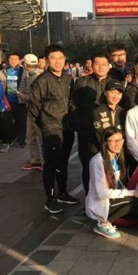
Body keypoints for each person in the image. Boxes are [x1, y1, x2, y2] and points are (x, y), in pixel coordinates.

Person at [29, 44, 79, 214]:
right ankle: (50, 198)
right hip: (51, 129)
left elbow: (72, 102)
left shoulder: (68, 79)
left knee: (63, 162)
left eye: (60, 58)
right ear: (46, 60)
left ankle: (62, 192)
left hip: (67, 127)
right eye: (53, 58)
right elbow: (34, 109)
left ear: (65, 59)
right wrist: (45, 126)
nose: (57, 61)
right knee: (51, 163)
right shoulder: (41, 81)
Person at [86, 127, 138, 239]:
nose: (118, 144)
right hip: (102, 203)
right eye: (114, 141)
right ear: (105, 142)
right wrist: (130, 193)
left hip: (113, 200)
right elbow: (102, 193)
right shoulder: (97, 161)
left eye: (120, 140)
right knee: (133, 201)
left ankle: (114, 218)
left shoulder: (117, 157)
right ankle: (103, 224)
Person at [71, 53, 112, 195]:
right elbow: (73, 104)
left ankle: (109, 197)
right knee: (88, 165)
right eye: (97, 64)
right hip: (87, 130)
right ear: (91, 65)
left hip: (108, 132)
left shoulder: (114, 82)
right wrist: (79, 125)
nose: (101, 67)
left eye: (104, 64)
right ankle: (89, 197)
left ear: (109, 66)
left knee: (109, 166)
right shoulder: (81, 82)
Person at [17, 54, 44, 170]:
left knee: (41, 138)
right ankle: (35, 160)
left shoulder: (37, 77)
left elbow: (35, 98)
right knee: (31, 136)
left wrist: (22, 96)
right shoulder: (32, 75)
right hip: (31, 111)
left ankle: (44, 162)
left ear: (25, 64)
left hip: (38, 112)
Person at [0, 52, 25, 149]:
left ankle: (21, 140)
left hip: (20, 101)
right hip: (7, 101)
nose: (12, 61)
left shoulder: (24, 71)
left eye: (15, 59)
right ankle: (8, 140)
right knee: (7, 122)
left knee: (21, 122)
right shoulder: (3, 72)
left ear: (19, 60)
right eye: (10, 59)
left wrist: (24, 95)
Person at [93, 79, 126, 155]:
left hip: (120, 152)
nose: (115, 96)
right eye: (112, 92)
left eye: (119, 93)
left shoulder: (123, 112)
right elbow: (99, 136)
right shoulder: (98, 111)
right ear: (105, 92)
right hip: (102, 152)